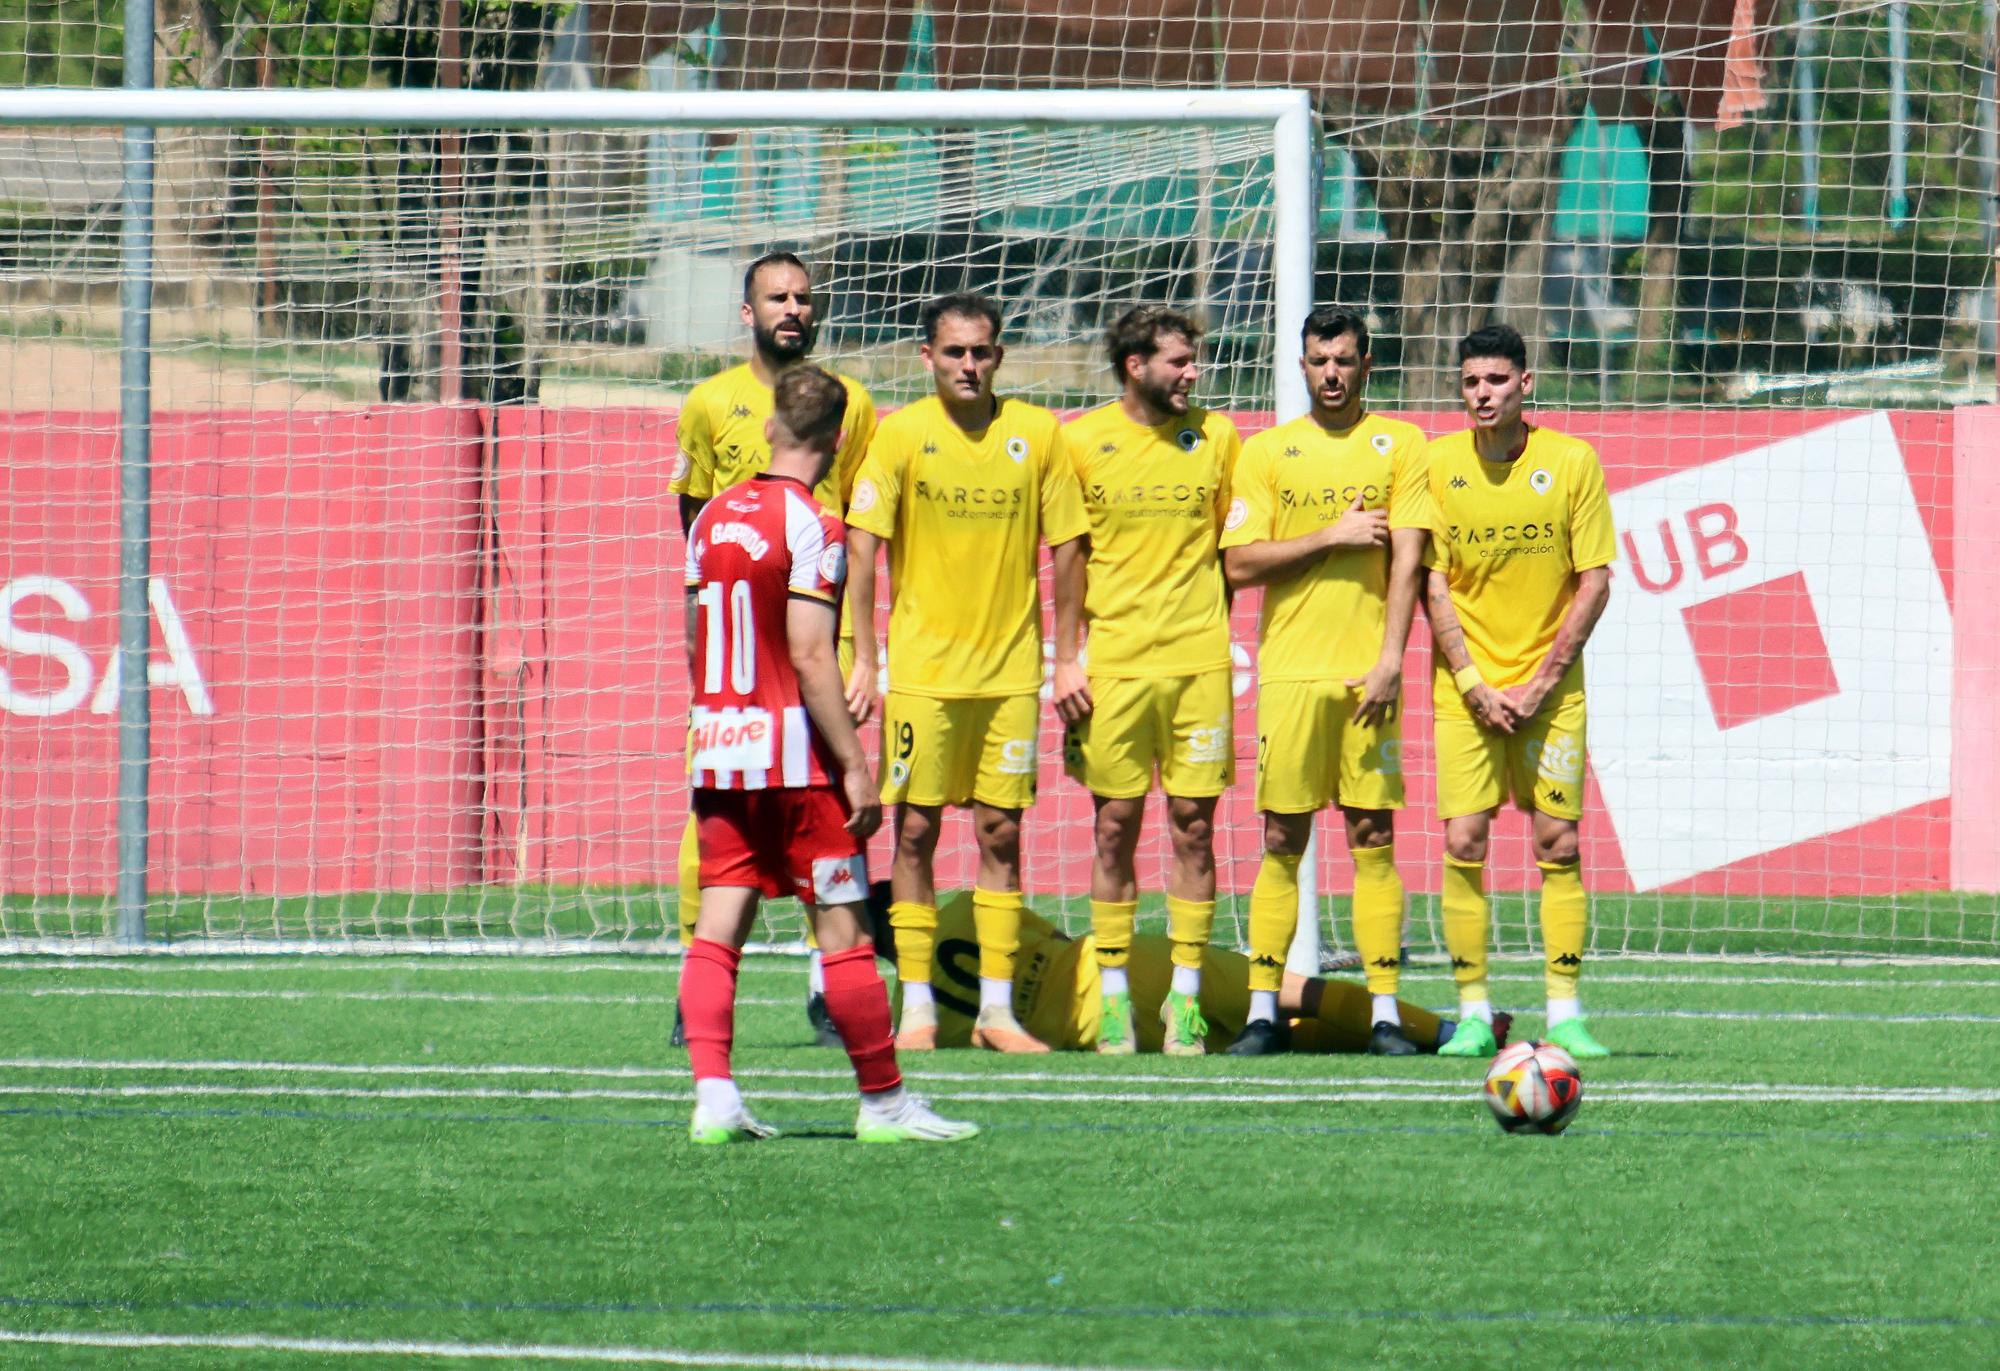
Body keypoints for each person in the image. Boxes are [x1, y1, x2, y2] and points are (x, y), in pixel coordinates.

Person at [679, 365, 976, 1144]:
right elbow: (814, 657)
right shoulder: (815, 523)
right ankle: (883, 1103)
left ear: (773, 426)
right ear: (841, 442)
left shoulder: (709, 517)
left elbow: (691, 640)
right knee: (843, 932)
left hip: (718, 749)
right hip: (795, 765)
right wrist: (853, 763)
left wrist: (721, 715)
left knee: (719, 925)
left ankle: (714, 1098)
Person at [844, 293, 1090, 1054]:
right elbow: (861, 547)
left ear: (1000, 355)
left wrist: (1070, 655)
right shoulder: (900, 437)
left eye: (981, 351)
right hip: (922, 673)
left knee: (1001, 832)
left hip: (1010, 674)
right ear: (927, 357)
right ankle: (916, 1008)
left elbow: (1071, 547)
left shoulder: (1038, 433)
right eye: (954, 352)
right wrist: (864, 656)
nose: (969, 365)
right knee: (913, 830)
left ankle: (995, 1014)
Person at [670, 251, 878, 1048]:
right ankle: (703, 989)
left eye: (803, 297)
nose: (793, 308)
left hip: (824, 636)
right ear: (747, 312)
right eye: (777, 297)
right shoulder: (709, 402)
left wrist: (862, 651)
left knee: (835, 825)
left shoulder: (851, 402)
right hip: (744, 652)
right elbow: (696, 529)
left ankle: (828, 988)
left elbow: (861, 525)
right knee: (719, 830)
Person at [1217, 307, 1432, 1057]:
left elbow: (1409, 559)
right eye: (1318, 360)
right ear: (1301, 366)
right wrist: (1331, 535)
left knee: (1374, 836)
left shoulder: (1400, 444)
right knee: (1282, 837)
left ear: (1367, 362)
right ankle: (1263, 1011)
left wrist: (1389, 659)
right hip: (1291, 674)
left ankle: (1383, 1012)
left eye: (1344, 359)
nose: (1331, 373)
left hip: (1366, 674)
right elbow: (1239, 564)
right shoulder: (1269, 452)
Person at [1423, 323, 1614, 1060]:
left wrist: (1539, 682)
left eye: (1497, 380)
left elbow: (1594, 581)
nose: (1483, 394)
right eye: (1471, 382)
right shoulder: (1437, 465)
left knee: (1557, 841)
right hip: (1464, 691)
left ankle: (1565, 1012)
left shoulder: (1571, 462)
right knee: (1464, 840)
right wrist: (1472, 682)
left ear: (1525, 384)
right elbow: (1431, 582)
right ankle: (1473, 1009)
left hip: (1551, 694)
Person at [1055, 306, 1242, 1056]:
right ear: (1135, 365)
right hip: (1115, 666)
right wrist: (1068, 656)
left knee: (1195, 826)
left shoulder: (1219, 438)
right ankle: (1113, 1002)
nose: (1191, 373)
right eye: (1178, 361)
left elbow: (1237, 551)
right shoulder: (1079, 442)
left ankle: (1185, 1005)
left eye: (1193, 360)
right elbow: (1068, 559)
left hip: (1198, 663)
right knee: (1113, 827)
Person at [876, 888, 1500, 1056]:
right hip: (1120, 968)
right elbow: (1058, 937)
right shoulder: (962, 907)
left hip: (1101, 1032)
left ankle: (1428, 1041)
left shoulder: (922, 1019)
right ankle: (1446, 1032)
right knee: (1286, 994)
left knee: (1277, 1040)